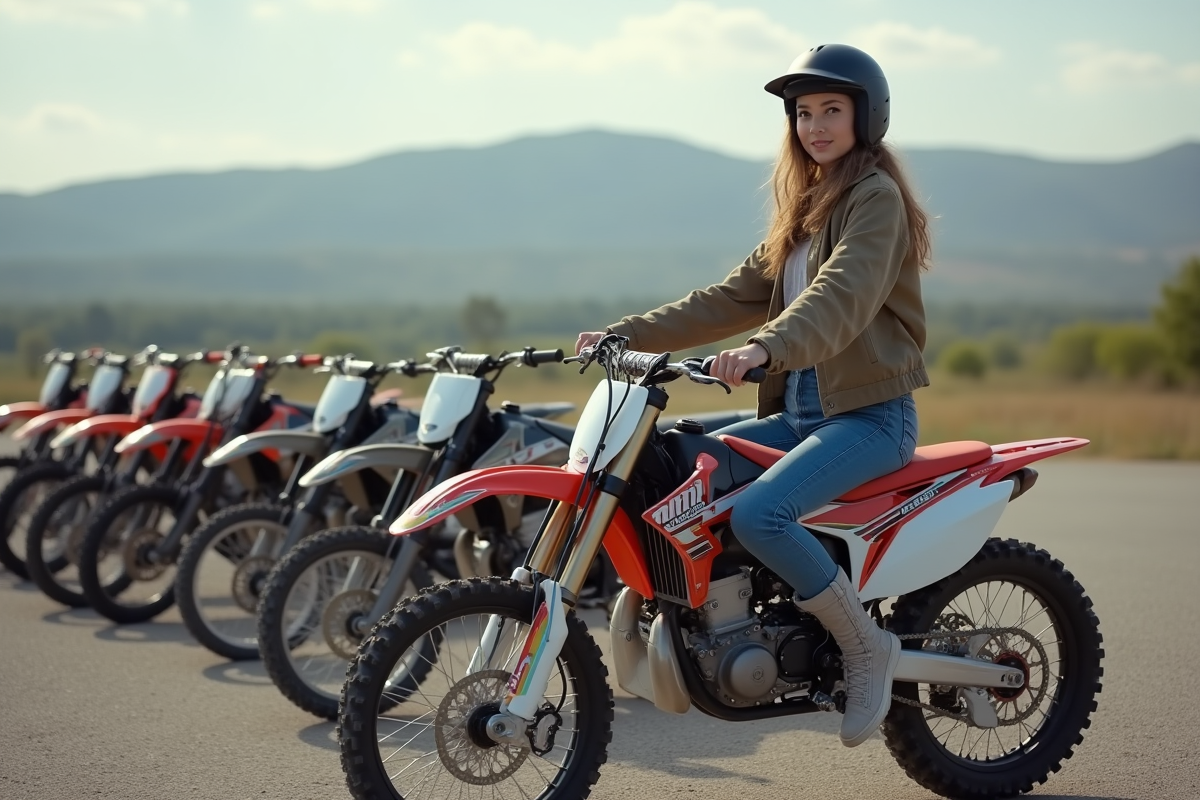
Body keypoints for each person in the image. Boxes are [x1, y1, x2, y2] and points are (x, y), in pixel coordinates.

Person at [576, 44, 931, 748]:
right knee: (676, 468)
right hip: (798, 415)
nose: (815, 126)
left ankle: (866, 647)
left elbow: (841, 296)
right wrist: (625, 334)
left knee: (762, 515)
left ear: (867, 116)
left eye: (832, 110)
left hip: (869, 417)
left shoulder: (875, 200)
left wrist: (765, 348)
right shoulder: (807, 207)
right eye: (804, 113)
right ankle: (687, 616)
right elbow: (726, 298)